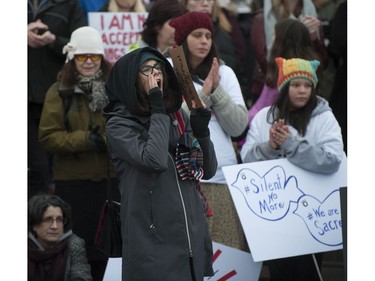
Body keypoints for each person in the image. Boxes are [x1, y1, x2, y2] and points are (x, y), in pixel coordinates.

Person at [103, 46, 218, 281]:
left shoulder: (176, 115)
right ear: (131, 79)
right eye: (146, 70)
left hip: (188, 238)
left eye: (159, 69)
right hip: (152, 242)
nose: (155, 75)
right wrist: (157, 106)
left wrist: (202, 133)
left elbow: (207, 170)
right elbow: (154, 160)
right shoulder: (119, 124)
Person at [241, 57, 344, 281]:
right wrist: (270, 147)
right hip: (276, 218)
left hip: (314, 217)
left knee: (309, 274)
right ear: (284, 87)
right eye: (296, 85)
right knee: (280, 273)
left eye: (308, 86)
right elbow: (246, 160)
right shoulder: (264, 117)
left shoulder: (325, 117)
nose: (302, 91)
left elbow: (333, 159)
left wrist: (291, 146)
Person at [38, 26, 120, 281]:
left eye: (93, 57)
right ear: (72, 58)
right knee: (77, 253)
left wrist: (111, 140)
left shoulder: (115, 90)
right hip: (73, 185)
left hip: (110, 184)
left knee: (110, 253)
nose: (87, 62)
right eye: (82, 56)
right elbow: (48, 137)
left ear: (101, 58)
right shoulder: (58, 91)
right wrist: (85, 139)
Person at [169, 12, 249, 251]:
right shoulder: (167, 71)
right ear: (183, 39)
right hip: (180, 180)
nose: (204, 40)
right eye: (197, 35)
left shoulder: (225, 73)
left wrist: (216, 90)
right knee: (186, 252)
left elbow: (238, 126)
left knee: (226, 254)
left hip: (221, 179)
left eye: (208, 35)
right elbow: (175, 121)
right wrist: (204, 92)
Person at [27, 0, 85, 199]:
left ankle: (50, 218)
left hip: (57, 96)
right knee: (38, 167)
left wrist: (53, 40)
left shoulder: (70, 5)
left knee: (51, 167)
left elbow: (80, 48)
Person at [247, 18, 323, 126]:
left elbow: (261, 108)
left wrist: (239, 121)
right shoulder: (312, 68)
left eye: (274, 35)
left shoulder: (283, 71)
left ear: (282, 41)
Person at [250, 0, 328, 101]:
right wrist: (295, 34)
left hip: (306, 91)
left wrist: (313, 39)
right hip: (272, 91)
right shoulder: (263, 17)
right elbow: (265, 61)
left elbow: (323, 62)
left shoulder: (311, 13)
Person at [181, 0, 250, 100]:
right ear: (185, 3)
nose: (205, 3)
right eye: (197, 35)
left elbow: (240, 65)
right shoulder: (175, 33)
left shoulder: (228, 28)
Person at [28, 193, 92, 281]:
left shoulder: (73, 245)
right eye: (48, 220)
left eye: (59, 220)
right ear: (34, 224)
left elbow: (82, 277)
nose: (54, 226)